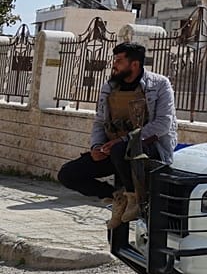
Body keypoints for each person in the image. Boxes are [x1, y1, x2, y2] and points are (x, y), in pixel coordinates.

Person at [57, 42, 178, 228]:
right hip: (114, 151)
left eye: (119, 61)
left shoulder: (159, 85)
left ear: (134, 64)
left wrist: (123, 140)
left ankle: (134, 198)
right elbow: (100, 121)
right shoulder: (109, 87)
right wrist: (96, 146)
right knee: (68, 174)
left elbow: (163, 124)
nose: (114, 65)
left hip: (147, 151)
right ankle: (117, 197)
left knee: (120, 149)